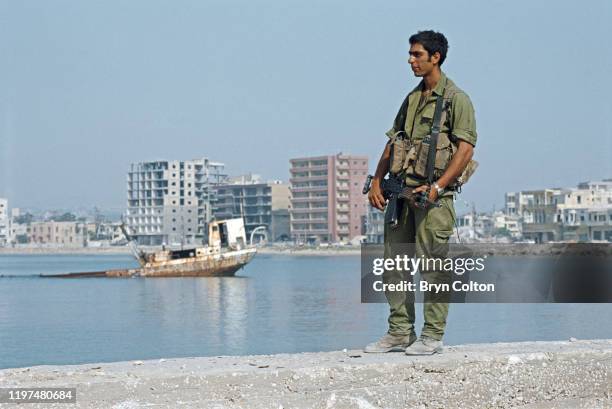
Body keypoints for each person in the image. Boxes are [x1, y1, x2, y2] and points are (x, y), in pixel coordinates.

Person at [364, 30, 477, 355]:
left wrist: (439, 186)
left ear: (435, 57)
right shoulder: (412, 99)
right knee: (394, 264)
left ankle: (431, 336)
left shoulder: (457, 99)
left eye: (417, 55)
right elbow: (393, 141)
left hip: (435, 200)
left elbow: (465, 150)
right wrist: (376, 181)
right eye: (410, 54)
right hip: (402, 196)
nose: (410, 60)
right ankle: (399, 332)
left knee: (434, 266)